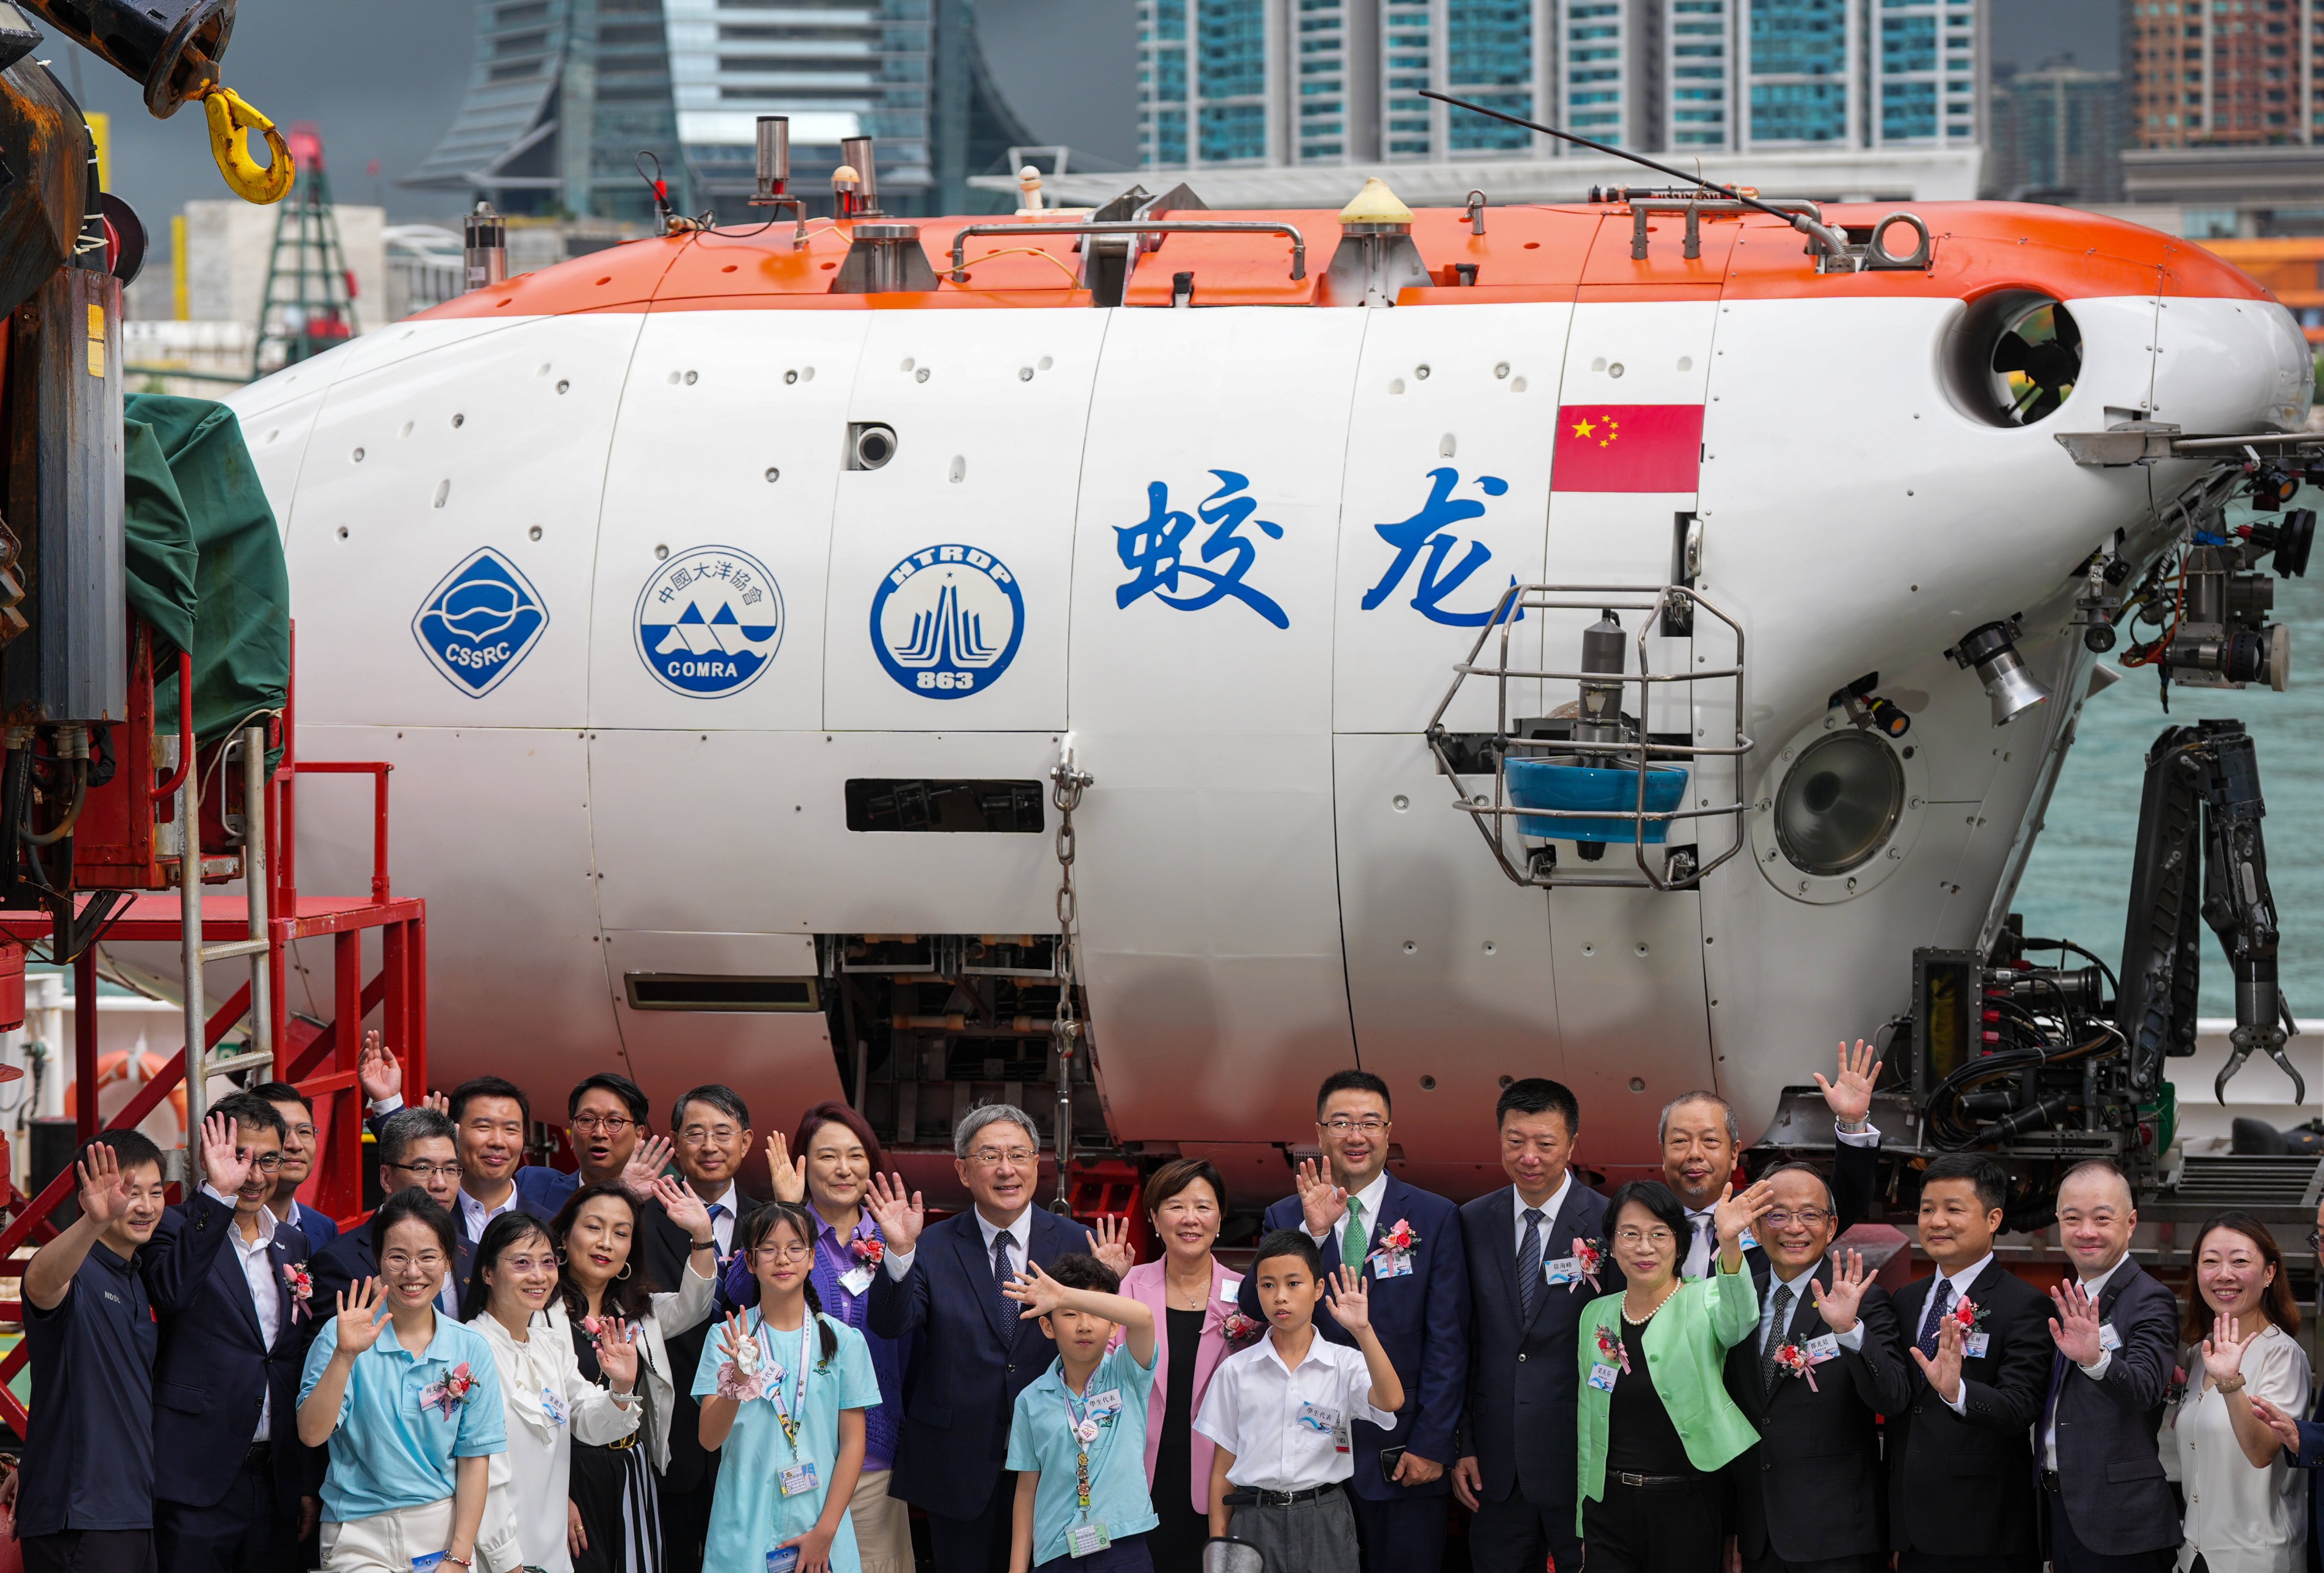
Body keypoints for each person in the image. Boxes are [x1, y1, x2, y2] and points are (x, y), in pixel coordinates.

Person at [1236, 1070, 1468, 1573]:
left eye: (1369, 1123)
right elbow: (1254, 1309)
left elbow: (1448, 1341)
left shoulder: (1435, 1216)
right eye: (1341, 1123)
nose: (1355, 1136)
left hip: (1401, 1456)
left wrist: (1432, 1444)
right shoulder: (1286, 1215)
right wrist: (1310, 1238)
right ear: (1319, 1133)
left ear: (1389, 1131)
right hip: (1308, 1463)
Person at [867, 1104, 1089, 1573]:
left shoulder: (1077, 1243)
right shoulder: (928, 1243)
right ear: (963, 1171)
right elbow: (890, 1324)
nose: (1007, 1169)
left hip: (1054, 1460)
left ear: (1037, 1164)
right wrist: (900, 1254)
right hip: (955, 1464)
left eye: (1018, 1154)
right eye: (990, 1156)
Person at [1451, 1078, 1622, 1573]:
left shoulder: (1609, 1224)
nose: (1530, 1157)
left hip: (1580, 1460)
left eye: (1545, 1144)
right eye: (1515, 1141)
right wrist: (1464, 1442)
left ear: (1571, 1144)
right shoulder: (1470, 1221)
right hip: (1495, 1465)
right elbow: (1461, 1340)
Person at [142, 1091, 315, 1573]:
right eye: (240, 1158)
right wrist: (217, 1198)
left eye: (269, 1160)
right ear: (209, 1155)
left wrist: (300, 1480)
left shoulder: (292, 1241)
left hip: (274, 1476)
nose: (254, 1176)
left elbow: (289, 1361)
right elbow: (172, 1294)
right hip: (196, 1477)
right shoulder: (174, 1225)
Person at [297, 1189, 514, 1573]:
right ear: (378, 1260)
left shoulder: (471, 1347)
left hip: (441, 1529)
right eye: (398, 1257)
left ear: (449, 1260)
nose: (413, 1272)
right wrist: (345, 1356)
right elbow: (312, 1434)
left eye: (428, 1257)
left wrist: (459, 1556)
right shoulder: (340, 1335)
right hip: (355, 1532)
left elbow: (475, 1460)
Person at [1722, 1162, 1912, 1573]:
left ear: (1831, 1227)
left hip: (1838, 1534)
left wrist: (1849, 1330)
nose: (1794, 1227)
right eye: (1777, 1215)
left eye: (1810, 1214)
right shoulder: (1738, 1298)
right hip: (1760, 1534)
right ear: (1755, 1228)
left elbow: (1893, 1397)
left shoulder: (1864, 1300)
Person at [1574, 1177, 1770, 1572]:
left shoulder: (1707, 1298)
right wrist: (1584, 1519)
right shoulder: (1596, 1314)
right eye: (1630, 1234)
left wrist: (1729, 1244)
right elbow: (1587, 1425)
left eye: (1658, 1234)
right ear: (1612, 1244)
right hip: (1608, 1506)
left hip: (1686, 1506)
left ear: (1679, 1243)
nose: (1644, 1248)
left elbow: (1741, 1319)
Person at [755, 1102, 916, 1573]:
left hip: (873, 1457)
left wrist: (902, 1252)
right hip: (792, 1453)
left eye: (856, 1155)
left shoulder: (894, 1238)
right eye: (827, 1156)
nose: (844, 1169)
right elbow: (743, 1301)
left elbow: (914, 1338)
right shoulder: (780, 1236)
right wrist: (784, 1211)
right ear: (803, 1164)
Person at [1196, 1231, 1402, 1573]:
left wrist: (1364, 1331)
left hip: (1325, 1517)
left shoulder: (1344, 1363)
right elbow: (1222, 1471)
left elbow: (1392, 1400)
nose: (1280, 1297)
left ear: (1318, 1289)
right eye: (1267, 1285)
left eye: (1294, 1284)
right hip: (1254, 1519)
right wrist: (1219, 1548)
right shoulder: (1235, 1371)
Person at [693, 1201, 882, 1573]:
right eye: (768, 1248)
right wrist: (739, 1382)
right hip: (745, 1521)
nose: (783, 1259)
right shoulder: (727, 1337)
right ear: (749, 1261)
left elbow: (853, 1444)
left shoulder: (844, 1341)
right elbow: (709, 1440)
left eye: (796, 1248)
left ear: (812, 1258)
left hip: (822, 1525)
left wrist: (826, 1532)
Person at [1887, 1151, 2053, 1572]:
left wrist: (1957, 1393)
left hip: (1984, 1529)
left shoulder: (2024, 1304)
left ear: (1993, 1219)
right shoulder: (1906, 1300)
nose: (1936, 1221)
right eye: (1927, 1209)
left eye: (1953, 1209)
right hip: (1910, 1525)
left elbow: (2020, 1407)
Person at [549, 1177, 718, 1573]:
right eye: (593, 1227)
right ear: (564, 1237)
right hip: (570, 1473)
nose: (606, 1242)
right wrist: (555, 1492)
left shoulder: (640, 1312)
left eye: (620, 1233)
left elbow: (696, 1306)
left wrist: (703, 1237)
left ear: (630, 1251)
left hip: (631, 1467)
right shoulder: (543, 1310)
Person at [18, 1130, 168, 1573]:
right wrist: (93, 1223)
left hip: (132, 1511)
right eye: (130, 1191)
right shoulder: (75, 1270)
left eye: (155, 1193)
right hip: (80, 1517)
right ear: (90, 1195)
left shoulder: (136, 1275)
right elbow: (41, 1282)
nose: (144, 1206)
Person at [464, 1211, 642, 1573]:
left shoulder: (551, 1344)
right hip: (493, 1551)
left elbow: (588, 1423)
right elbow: (478, 1468)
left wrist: (621, 1387)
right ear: (487, 1272)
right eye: (522, 1263)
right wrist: (505, 1559)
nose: (539, 1276)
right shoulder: (470, 1348)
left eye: (547, 1262)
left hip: (552, 1547)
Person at [2037, 1159, 2180, 1571]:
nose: (2086, 1232)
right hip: (2061, 1511)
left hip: (2121, 1522)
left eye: (2102, 1218)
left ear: (2131, 1222)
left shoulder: (2150, 1298)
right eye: (2072, 1218)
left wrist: (2097, 1360)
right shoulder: (2068, 1298)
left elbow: (2148, 1388)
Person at [645, 1084, 759, 1573]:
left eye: (723, 1133)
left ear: (747, 1141)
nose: (709, 1146)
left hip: (752, 1430)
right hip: (670, 1438)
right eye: (695, 1133)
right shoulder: (642, 1218)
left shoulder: (771, 1221)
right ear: (675, 1140)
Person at [1661, 1041, 1884, 1282]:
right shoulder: (1637, 1219)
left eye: (1711, 1140)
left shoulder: (1767, 1212)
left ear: (1735, 1153)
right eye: (1680, 1141)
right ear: (1663, 1153)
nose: (1695, 1153)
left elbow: (1849, 1198)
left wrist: (1852, 1121)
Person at [357, 1036, 669, 1208]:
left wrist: (623, 1196)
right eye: (587, 1120)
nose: (600, 1133)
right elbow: (416, 1174)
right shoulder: (534, 1183)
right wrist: (390, 1105)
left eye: (614, 1121)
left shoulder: (664, 1202)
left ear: (639, 1132)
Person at [1118, 1158, 1243, 1572]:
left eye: (1204, 1207)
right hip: (1139, 1476)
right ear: (1154, 1217)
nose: (1190, 1219)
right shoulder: (1128, 1285)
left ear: (1220, 1218)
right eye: (1175, 1206)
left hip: (1219, 1481)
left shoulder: (1248, 1296)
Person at [2166, 1212, 2308, 1572]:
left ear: (2270, 1273)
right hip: (2194, 1557)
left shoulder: (2283, 1355)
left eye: (2240, 1262)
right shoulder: (2200, 1354)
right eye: (2210, 1262)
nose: (2223, 1275)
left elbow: (2263, 1452)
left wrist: (2231, 1385)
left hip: (2256, 1558)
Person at [1003, 1255, 1160, 1573]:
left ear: (1114, 1325)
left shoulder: (1126, 1375)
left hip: (1123, 1542)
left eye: (1096, 1313)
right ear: (1048, 1326)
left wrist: (1063, 1296)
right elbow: (1026, 1490)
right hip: (1056, 1550)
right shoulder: (1031, 1400)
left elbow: (1143, 1318)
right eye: (1070, 1314)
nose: (1085, 1325)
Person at [311, 1107, 473, 1322]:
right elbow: (319, 1352)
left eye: (451, 1170)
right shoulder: (338, 1261)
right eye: (423, 1168)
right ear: (386, 1178)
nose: (440, 1184)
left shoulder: (472, 1254)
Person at [253, 1081, 339, 1247]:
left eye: (304, 1132)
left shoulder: (324, 1228)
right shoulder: (226, 1226)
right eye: (281, 1132)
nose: (296, 1145)